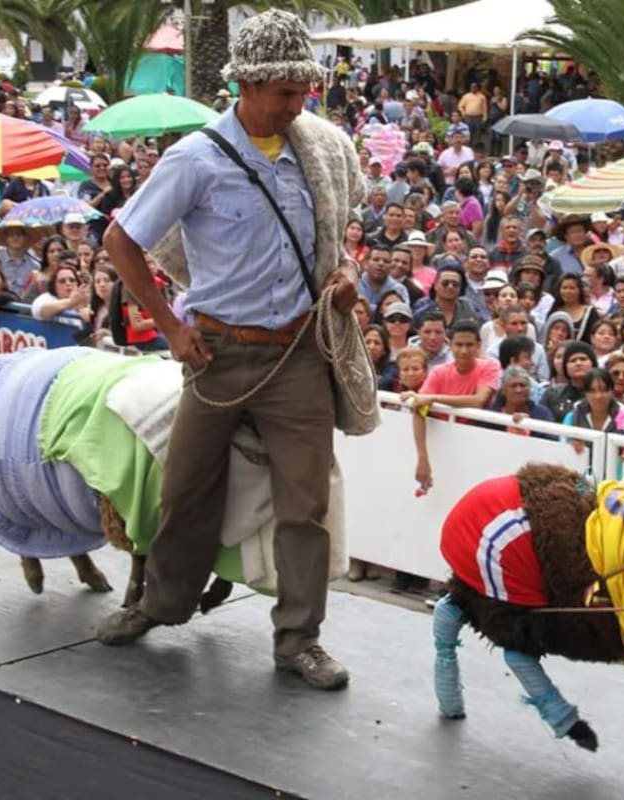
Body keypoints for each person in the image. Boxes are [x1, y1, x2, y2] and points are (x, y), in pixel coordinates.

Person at [93, 10, 371, 692]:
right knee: (186, 490)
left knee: (305, 503)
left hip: (300, 353)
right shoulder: (194, 159)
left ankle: (299, 641)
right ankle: (160, 605)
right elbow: (120, 243)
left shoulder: (322, 150)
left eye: (303, 90)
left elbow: (345, 233)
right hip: (216, 352)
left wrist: (347, 274)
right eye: (283, 92)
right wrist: (170, 326)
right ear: (245, 85)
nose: (296, 104)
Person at [406, 320, 502, 490]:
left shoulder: (490, 366)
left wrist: (432, 398)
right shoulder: (439, 372)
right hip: (444, 449)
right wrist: (422, 458)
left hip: (480, 447)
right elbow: (419, 409)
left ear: (479, 346)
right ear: (450, 345)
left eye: (469, 345)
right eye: (459, 344)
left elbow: (479, 400)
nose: (464, 350)